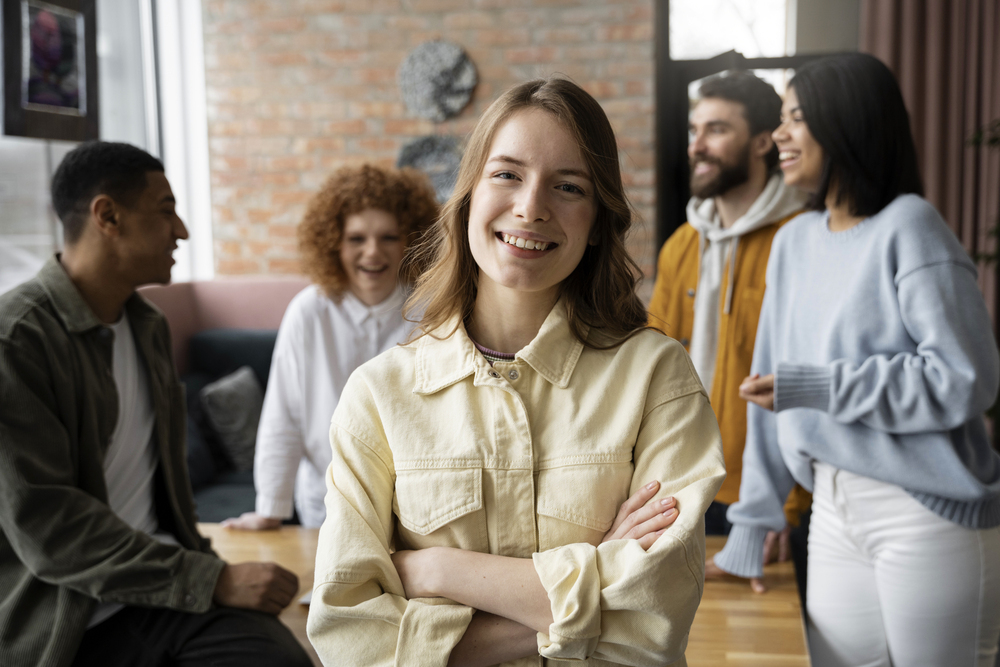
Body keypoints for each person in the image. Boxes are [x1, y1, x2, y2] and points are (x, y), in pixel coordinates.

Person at [306, 78, 726, 666]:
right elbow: (350, 641)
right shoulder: (378, 394)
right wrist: (596, 586)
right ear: (469, 195)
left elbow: (655, 614)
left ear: (598, 219)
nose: (531, 207)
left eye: (568, 186)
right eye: (506, 174)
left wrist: (438, 570)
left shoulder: (658, 376)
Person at [710, 53, 1000, 666]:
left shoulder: (909, 227)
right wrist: (754, 523)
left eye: (796, 117)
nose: (779, 135)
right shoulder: (793, 242)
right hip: (833, 509)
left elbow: (964, 378)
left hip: (925, 509)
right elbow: (766, 391)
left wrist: (816, 386)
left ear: (846, 121)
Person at [0, 141, 312, 667]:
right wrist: (213, 579)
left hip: (166, 591)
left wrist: (204, 574)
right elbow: (50, 528)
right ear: (108, 216)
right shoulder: (17, 341)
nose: (182, 231)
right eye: (166, 210)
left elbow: (165, 493)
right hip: (69, 619)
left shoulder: (146, 326)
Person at [647, 71, 810, 573]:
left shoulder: (802, 239)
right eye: (695, 130)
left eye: (717, 129)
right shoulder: (681, 245)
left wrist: (785, 507)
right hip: (687, 490)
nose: (698, 145)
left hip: (779, 503)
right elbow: (651, 371)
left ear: (763, 140)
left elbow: (808, 381)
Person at [221, 165, 438, 531]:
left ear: (411, 240)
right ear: (333, 243)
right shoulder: (308, 312)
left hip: (414, 509)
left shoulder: (432, 312)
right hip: (323, 506)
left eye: (388, 237)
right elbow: (283, 416)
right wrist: (270, 509)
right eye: (356, 239)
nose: (373, 252)